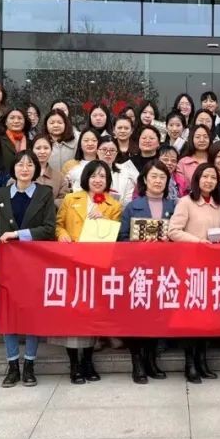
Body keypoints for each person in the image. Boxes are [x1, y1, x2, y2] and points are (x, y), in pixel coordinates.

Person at [0, 151, 58, 388]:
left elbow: (49, 229)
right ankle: (12, 366)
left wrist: (18, 234)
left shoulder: (44, 193)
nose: (24, 168)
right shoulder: (1, 194)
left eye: (29, 164)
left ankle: (29, 364)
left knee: (32, 314)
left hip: (34, 264)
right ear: (13, 168)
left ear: (36, 169)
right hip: (7, 265)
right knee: (8, 314)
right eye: (20, 164)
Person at [55, 160, 122, 383]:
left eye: (102, 176)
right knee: (72, 316)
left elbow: (116, 234)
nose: (98, 180)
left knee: (92, 315)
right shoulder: (71, 199)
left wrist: (104, 221)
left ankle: (88, 361)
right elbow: (58, 224)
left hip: (97, 267)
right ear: (86, 178)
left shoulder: (114, 205)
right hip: (71, 264)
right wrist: (62, 234)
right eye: (93, 175)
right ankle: (74, 364)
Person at [168, 163, 220, 383]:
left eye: (213, 177)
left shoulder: (219, 205)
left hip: (212, 268)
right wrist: (198, 242)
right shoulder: (186, 202)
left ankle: (202, 362)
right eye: (205, 176)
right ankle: (190, 364)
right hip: (189, 268)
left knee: (206, 318)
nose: (209, 181)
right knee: (190, 318)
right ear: (197, 179)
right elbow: (173, 231)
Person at [119, 161, 176, 383]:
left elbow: (179, 235)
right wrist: (139, 243)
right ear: (144, 179)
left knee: (157, 317)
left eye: (162, 177)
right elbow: (121, 239)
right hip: (139, 270)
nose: (158, 181)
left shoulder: (173, 205)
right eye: (153, 176)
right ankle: (137, 363)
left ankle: (152, 361)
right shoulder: (132, 207)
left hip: (164, 270)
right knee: (137, 317)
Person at [95, 136, 138, 205]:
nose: (108, 153)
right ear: (97, 151)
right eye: (104, 149)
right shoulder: (87, 170)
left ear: (117, 152)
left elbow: (128, 199)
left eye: (112, 150)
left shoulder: (126, 171)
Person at [30, 134, 68, 205]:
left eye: (46, 148)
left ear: (51, 150)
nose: (42, 152)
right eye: (38, 148)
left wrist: (50, 204)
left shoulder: (59, 177)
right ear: (32, 150)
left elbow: (65, 200)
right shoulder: (22, 172)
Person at [177, 124, 213, 195]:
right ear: (192, 139)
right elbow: (180, 189)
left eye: (205, 137)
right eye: (198, 137)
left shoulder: (215, 160)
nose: (202, 140)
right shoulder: (183, 162)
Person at [0, 107, 29, 173]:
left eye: (20, 118)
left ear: (25, 122)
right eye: (12, 118)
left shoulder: (30, 142)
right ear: (5, 122)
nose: (16, 121)